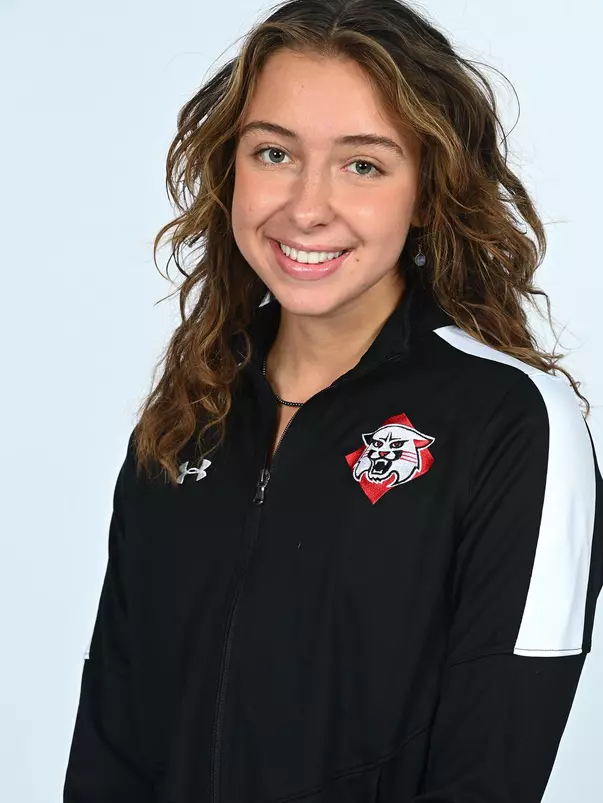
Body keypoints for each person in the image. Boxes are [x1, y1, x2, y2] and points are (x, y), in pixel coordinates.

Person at [63, 1, 603, 801]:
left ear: (428, 188)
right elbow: (111, 739)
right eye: (274, 152)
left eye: (362, 164)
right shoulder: (188, 416)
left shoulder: (513, 424)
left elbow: (491, 766)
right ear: (230, 169)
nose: (305, 207)